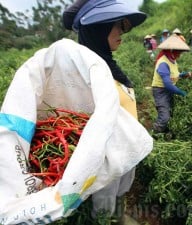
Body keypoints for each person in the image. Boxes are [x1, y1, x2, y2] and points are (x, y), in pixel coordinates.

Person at [63, 0, 150, 223]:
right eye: (117, 25)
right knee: (104, 203)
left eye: (124, 26)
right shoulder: (86, 74)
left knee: (120, 192)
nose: (122, 32)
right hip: (106, 158)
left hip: (125, 151)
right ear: (97, 29)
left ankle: (119, 217)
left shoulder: (107, 65)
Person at [151, 34, 192, 134]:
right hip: (161, 91)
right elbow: (168, 85)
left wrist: (184, 75)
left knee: (171, 112)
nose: (179, 55)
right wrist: (182, 93)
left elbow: (174, 75)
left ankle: (166, 132)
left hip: (169, 90)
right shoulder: (163, 63)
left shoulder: (172, 60)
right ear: (171, 50)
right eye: (178, 52)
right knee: (165, 117)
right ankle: (153, 135)